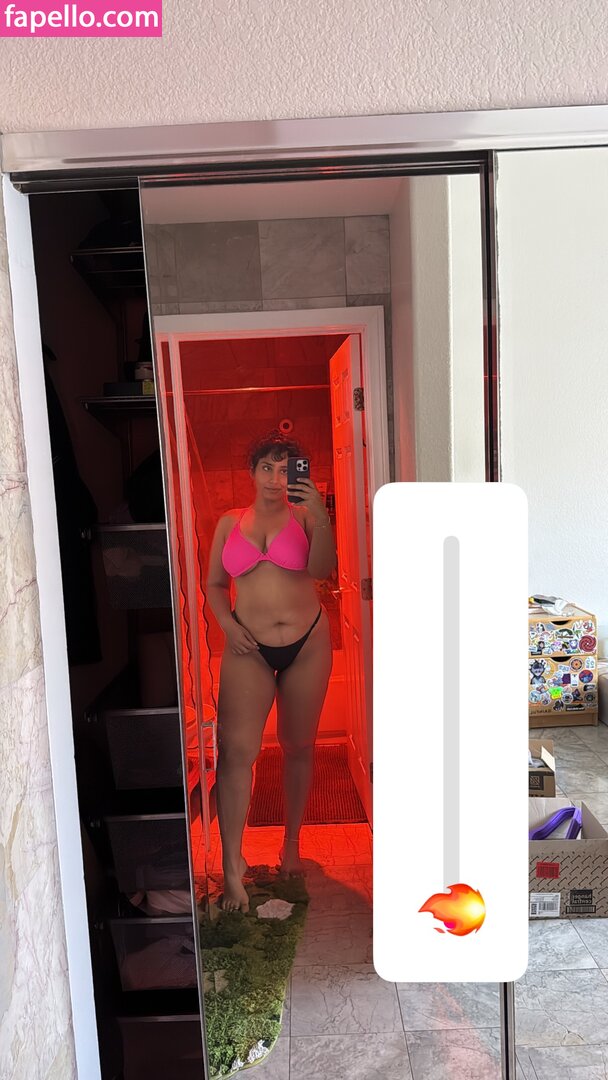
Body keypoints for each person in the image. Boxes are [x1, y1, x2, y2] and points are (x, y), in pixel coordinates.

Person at [206, 431, 337, 912]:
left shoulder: (305, 517)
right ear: (252, 471)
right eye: (267, 467)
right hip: (248, 646)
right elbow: (214, 584)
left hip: (307, 642)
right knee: (236, 752)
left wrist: (321, 517)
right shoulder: (229, 523)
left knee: (298, 746)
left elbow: (323, 569)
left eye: (286, 470)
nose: (276, 478)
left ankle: (292, 845)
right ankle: (231, 864)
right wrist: (227, 624)